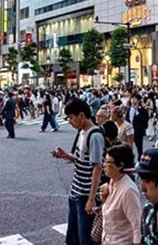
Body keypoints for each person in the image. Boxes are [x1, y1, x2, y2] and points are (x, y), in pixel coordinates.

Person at [52, 99, 105, 245]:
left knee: (85, 239)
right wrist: (66, 156)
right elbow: (83, 160)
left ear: (81, 115)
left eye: (71, 117)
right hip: (76, 192)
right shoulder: (82, 132)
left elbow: (97, 167)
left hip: (85, 194)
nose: (69, 121)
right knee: (73, 237)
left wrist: (91, 198)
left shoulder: (94, 136)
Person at [99, 145, 142, 245]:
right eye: (104, 161)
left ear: (120, 165)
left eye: (108, 162)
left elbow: (137, 225)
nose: (104, 165)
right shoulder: (113, 181)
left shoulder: (128, 190)